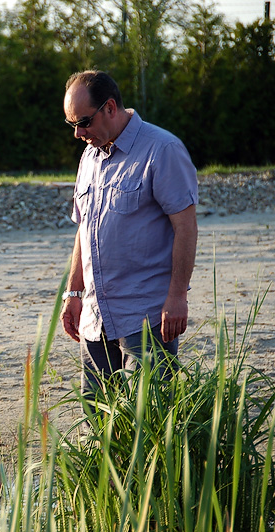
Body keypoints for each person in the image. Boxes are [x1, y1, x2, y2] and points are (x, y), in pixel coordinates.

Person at [60, 70, 198, 405]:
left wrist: (177, 296)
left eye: (84, 122)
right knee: (97, 417)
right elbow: (84, 228)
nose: (78, 133)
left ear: (110, 107)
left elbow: (185, 226)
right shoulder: (89, 157)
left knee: (148, 416)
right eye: (72, 124)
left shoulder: (162, 149)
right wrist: (74, 293)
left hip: (146, 318)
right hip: (95, 317)